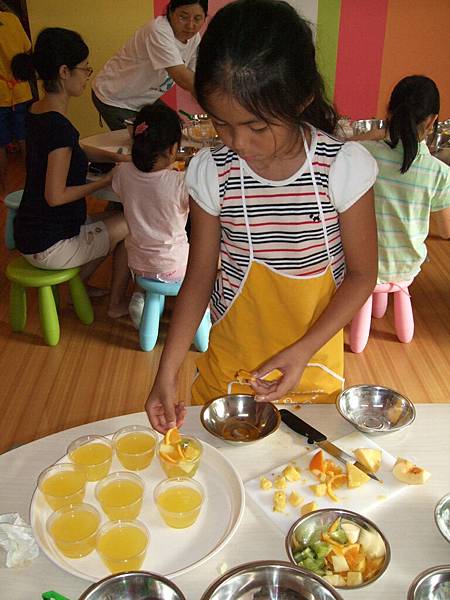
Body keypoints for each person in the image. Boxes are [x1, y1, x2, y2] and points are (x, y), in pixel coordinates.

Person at [145, 0, 379, 433]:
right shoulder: (213, 171)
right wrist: (168, 369)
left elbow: (363, 275)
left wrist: (304, 349)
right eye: (222, 124)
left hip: (311, 366)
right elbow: (199, 275)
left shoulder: (341, 167)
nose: (237, 142)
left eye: (256, 127)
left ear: (301, 98)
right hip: (230, 367)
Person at [13, 27, 131, 317]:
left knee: (111, 220)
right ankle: (112, 302)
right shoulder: (60, 128)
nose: (88, 73)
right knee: (132, 222)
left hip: (31, 232)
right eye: (85, 68)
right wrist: (104, 180)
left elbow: (71, 148)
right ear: (65, 71)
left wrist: (117, 158)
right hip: (50, 245)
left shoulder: (38, 111)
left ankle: (81, 281)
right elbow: (55, 196)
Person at [361, 75, 450, 285]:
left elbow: (340, 144)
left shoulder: (364, 153)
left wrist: (375, 135)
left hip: (360, 263)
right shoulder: (438, 172)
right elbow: (446, 231)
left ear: (389, 111)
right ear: (431, 121)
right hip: (404, 268)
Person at [112, 103, 189, 328]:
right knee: (215, 258)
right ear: (173, 150)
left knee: (130, 245)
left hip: (138, 264)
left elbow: (124, 188)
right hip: (174, 267)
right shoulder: (179, 182)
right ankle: (202, 310)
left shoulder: (122, 172)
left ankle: (138, 297)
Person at [91, 0, 208, 131]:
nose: (190, 25)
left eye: (197, 18)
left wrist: (212, 110)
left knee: (175, 130)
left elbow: (194, 78)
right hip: (115, 98)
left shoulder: (194, 38)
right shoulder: (158, 31)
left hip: (144, 99)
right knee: (143, 145)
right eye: (183, 17)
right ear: (170, 12)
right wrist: (219, 105)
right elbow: (182, 77)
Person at [0, 2, 33, 198]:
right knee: (25, 139)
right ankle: (32, 183)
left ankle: (4, 191)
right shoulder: (12, 19)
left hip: (1, 95)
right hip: (20, 90)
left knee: (1, 145)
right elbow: (26, 48)